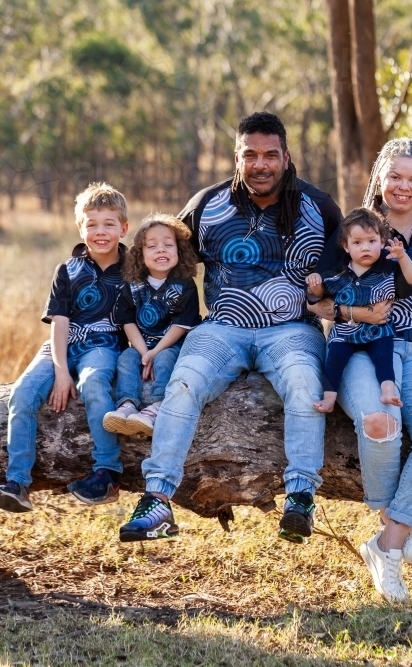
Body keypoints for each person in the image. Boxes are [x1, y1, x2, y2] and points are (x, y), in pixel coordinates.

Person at [118, 111, 342, 544]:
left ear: (286, 156)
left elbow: (352, 268)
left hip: (293, 329)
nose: (261, 164)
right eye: (250, 155)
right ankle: (157, 501)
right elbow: (162, 257)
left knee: (302, 384)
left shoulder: (320, 208)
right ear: (236, 157)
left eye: (270, 155)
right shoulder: (208, 205)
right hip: (222, 327)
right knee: (183, 383)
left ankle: (300, 497)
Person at [309, 138, 412, 602]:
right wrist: (357, 316)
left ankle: (387, 543)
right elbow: (318, 303)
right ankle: (397, 524)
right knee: (381, 424)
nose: (404, 186)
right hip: (361, 347)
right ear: (380, 178)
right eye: (395, 176)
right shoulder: (352, 231)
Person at [0, 183, 129, 512]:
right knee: (21, 393)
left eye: (109, 224)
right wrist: (62, 373)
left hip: (104, 345)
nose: (100, 232)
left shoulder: (133, 268)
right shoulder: (67, 269)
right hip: (61, 346)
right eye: (91, 224)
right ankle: (17, 481)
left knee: (94, 384)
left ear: (123, 228)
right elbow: (60, 324)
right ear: (80, 228)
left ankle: (107, 473)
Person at [306, 207, 412, 413]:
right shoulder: (338, 273)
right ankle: (329, 398)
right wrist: (315, 286)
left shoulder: (388, 268)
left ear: (383, 242)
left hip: (378, 332)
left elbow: (411, 280)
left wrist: (402, 257)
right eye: (357, 243)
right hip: (345, 333)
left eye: (371, 241)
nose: (365, 248)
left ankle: (388, 391)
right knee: (334, 360)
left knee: (385, 358)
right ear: (346, 246)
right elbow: (319, 294)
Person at [103, 213, 200, 437]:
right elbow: (128, 322)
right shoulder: (133, 285)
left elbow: (181, 325)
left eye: (168, 244)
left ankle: (157, 406)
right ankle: (127, 405)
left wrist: (155, 352)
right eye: (152, 246)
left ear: (180, 251)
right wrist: (144, 353)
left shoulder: (184, 285)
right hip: (142, 345)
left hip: (172, 345)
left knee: (165, 359)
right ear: (140, 254)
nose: (161, 250)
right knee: (126, 358)